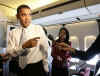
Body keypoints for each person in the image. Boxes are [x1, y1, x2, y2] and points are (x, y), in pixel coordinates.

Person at [6, 5, 49, 76]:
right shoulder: (13, 32)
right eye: (23, 15)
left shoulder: (38, 28)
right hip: (20, 68)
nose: (27, 18)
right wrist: (23, 47)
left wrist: (45, 66)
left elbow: (45, 48)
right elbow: (9, 51)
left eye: (29, 15)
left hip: (37, 67)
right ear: (17, 16)